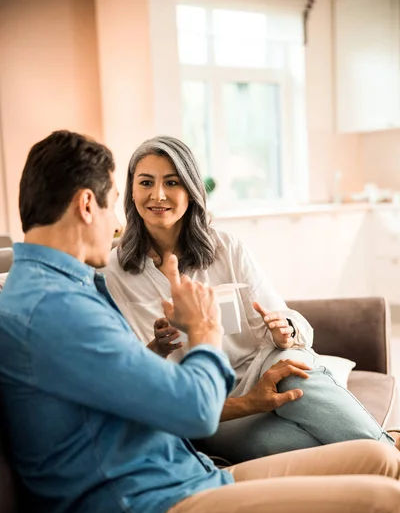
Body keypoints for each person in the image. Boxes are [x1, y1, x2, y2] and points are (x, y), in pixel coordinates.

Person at [1, 130, 400, 513]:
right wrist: (204, 329)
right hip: (149, 504)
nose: (116, 222)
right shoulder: (56, 307)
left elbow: (133, 387)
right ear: (88, 204)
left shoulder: (63, 291)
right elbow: (192, 410)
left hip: (184, 473)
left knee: (376, 458)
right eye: (115, 202)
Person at [104, 135, 398, 461]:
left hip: (263, 365)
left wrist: (283, 329)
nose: (158, 195)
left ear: (190, 190)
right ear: (131, 191)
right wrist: (157, 347)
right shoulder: (113, 271)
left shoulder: (226, 247)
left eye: (171, 182)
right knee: (286, 448)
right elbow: (130, 374)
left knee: (295, 375)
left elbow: (293, 325)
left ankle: (388, 456)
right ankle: (386, 451)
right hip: (216, 404)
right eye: (146, 182)